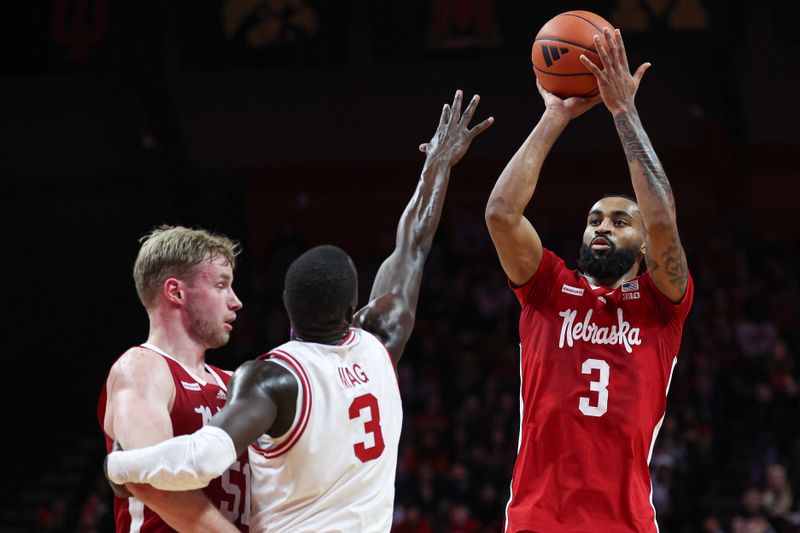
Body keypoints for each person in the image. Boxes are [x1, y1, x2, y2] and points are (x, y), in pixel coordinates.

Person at [105, 90, 493, 532]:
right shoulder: (382, 341)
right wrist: (437, 168)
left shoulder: (269, 378)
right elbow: (413, 246)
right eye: (221, 285)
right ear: (353, 307)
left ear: (286, 308)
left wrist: (120, 467)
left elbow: (201, 460)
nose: (235, 300)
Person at [484, 28, 693, 532]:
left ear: (645, 246)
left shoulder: (661, 304)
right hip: (537, 521)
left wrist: (623, 111)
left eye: (621, 221)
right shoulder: (548, 288)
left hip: (626, 523)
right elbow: (501, 214)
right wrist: (554, 116)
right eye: (595, 219)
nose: (602, 226)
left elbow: (663, 220)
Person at [98, 226, 249, 532]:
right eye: (221, 286)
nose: (235, 302)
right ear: (176, 292)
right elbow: (151, 483)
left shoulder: (232, 382)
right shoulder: (141, 368)